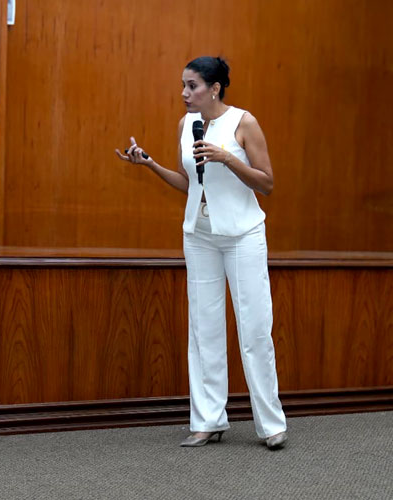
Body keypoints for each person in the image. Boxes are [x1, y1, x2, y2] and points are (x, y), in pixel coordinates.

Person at [114, 56, 287, 450]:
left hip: (242, 234)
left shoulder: (244, 123)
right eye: (183, 85)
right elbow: (189, 183)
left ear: (215, 88)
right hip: (199, 235)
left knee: (254, 330)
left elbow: (267, 184)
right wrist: (149, 164)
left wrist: (228, 157)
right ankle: (208, 420)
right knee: (204, 328)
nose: (184, 93)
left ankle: (271, 424)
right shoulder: (186, 125)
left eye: (192, 86)